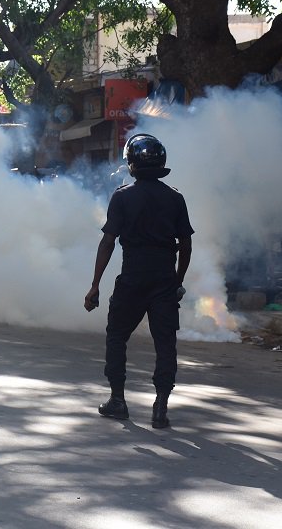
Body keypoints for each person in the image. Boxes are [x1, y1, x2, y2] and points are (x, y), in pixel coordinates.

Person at [84, 133, 193, 429]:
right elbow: (185, 244)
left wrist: (95, 285)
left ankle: (117, 400)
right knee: (165, 343)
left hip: (132, 278)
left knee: (117, 335)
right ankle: (160, 407)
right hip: (164, 280)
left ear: (131, 164)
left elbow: (107, 243)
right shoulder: (175, 197)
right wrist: (178, 281)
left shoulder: (122, 196)